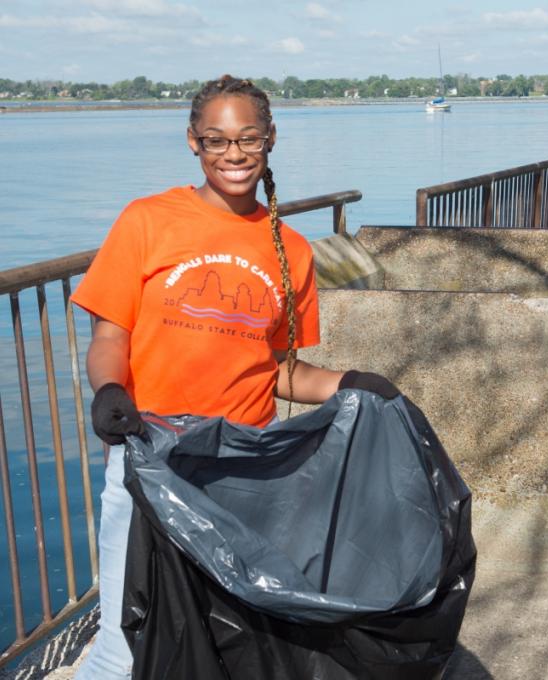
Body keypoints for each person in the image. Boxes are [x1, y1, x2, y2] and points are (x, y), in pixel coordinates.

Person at [70, 75, 398, 680]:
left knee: (230, 632)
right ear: (193, 143)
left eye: (248, 139)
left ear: (270, 140)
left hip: (244, 467)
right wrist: (110, 391)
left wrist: (352, 382)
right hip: (151, 456)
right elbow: (109, 336)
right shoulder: (147, 221)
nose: (234, 154)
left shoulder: (290, 250)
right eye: (217, 140)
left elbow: (277, 371)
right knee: (125, 639)